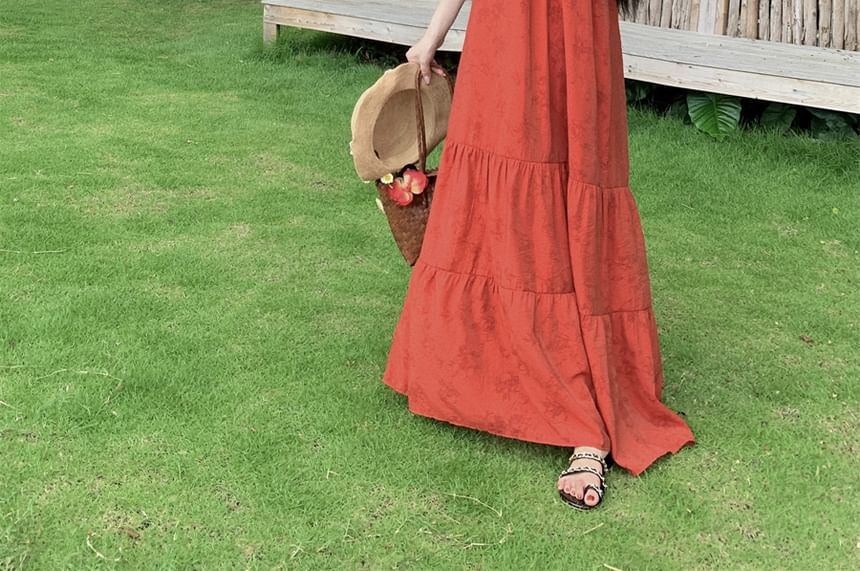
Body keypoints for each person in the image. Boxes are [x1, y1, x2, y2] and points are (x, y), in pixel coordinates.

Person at [382, 0, 694, 509]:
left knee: (571, 179)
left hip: (575, 31)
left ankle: (587, 421)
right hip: (502, 33)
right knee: (498, 174)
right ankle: (486, 375)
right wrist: (432, 36)